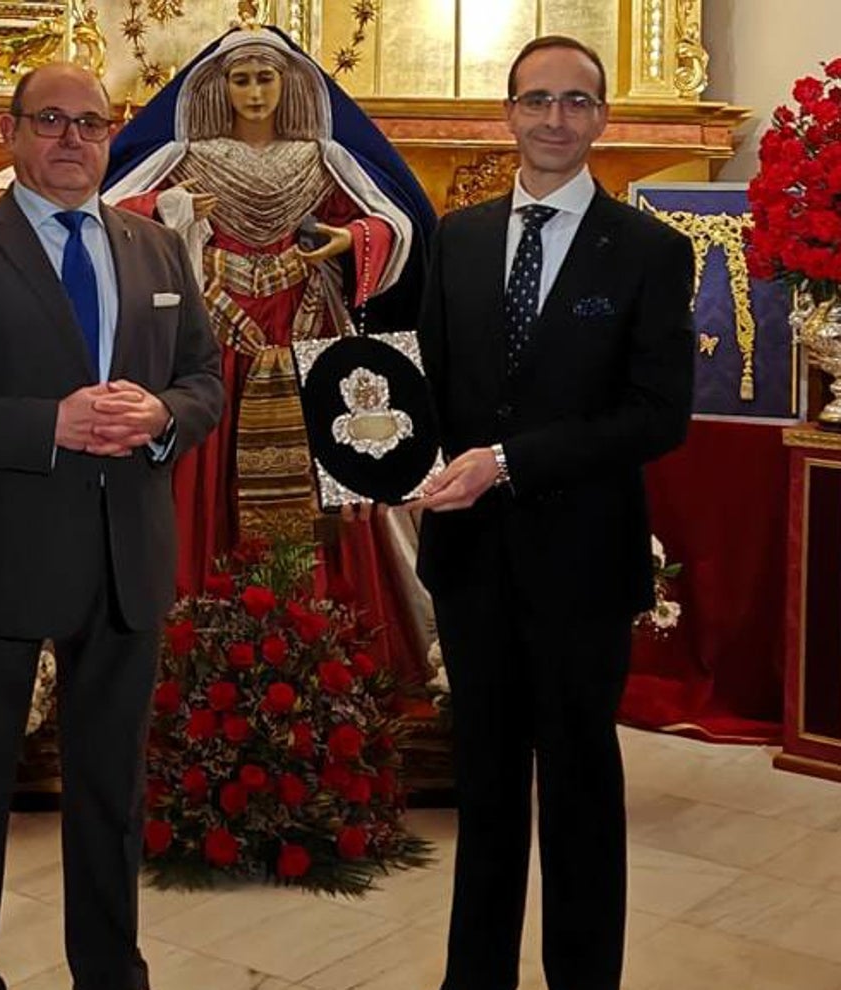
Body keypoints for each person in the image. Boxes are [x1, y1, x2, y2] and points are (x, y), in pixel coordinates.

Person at [0, 62, 222, 990]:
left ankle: (111, 974)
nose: (73, 140)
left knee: (111, 796)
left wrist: (161, 417)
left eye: (91, 124)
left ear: (112, 136)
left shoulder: (156, 251)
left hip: (123, 559)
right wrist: (48, 424)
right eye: (51, 122)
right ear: (12, 133)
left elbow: (203, 383)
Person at [408, 36, 695, 990]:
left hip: (581, 560)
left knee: (577, 788)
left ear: (602, 118)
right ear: (509, 114)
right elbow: (435, 392)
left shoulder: (652, 250)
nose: (555, 120)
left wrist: (509, 462)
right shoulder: (459, 238)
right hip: (471, 563)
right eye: (537, 101)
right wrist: (395, 456)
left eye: (576, 102)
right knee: (482, 789)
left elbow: (658, 416)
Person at [103, 26, 438, 680]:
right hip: (217, 331)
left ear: (287, 85)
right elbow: (113, 210)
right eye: (241, 78)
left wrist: (349, 241)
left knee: (322, 480)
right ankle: (196, 651)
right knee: (204, 473)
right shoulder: (191, 155)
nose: (254, 91)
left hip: (303, 324)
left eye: (265, 78)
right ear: (218, 87)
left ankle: (318, 643)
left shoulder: (318, 156)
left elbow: (391, 220)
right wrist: (173, 207)